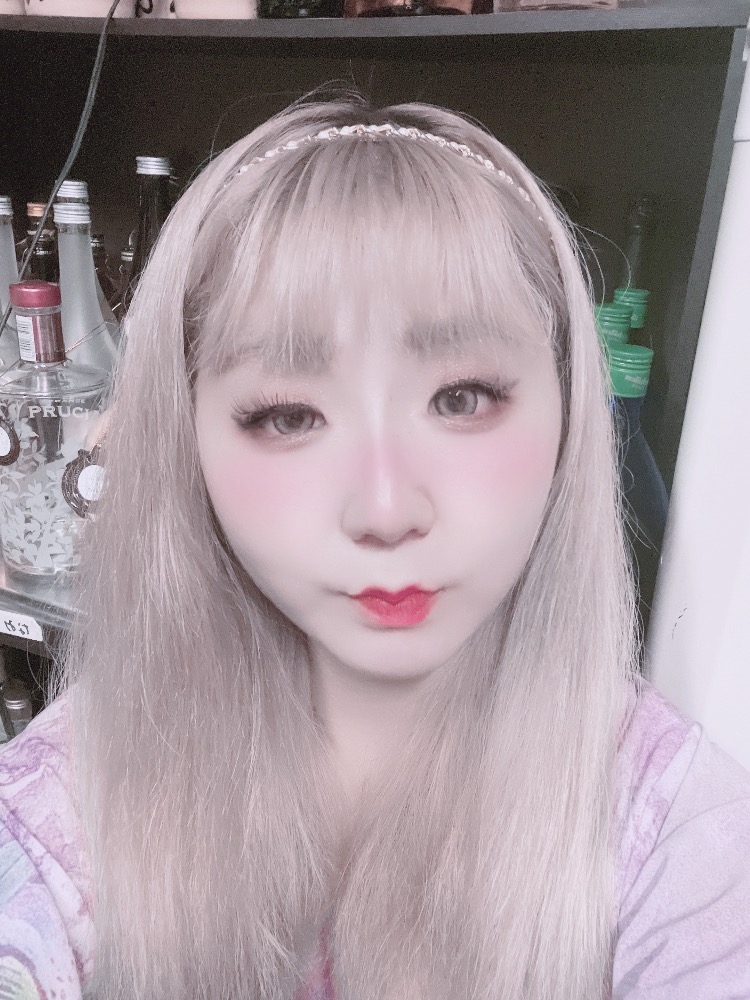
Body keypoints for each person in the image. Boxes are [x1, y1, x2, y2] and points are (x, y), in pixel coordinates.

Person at [0, 88, 748, 1000]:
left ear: (568, 412)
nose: (387, 508)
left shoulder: (673, 830)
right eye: (288, 415)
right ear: (185, 438)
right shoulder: (74, 792)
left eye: (462, 398)